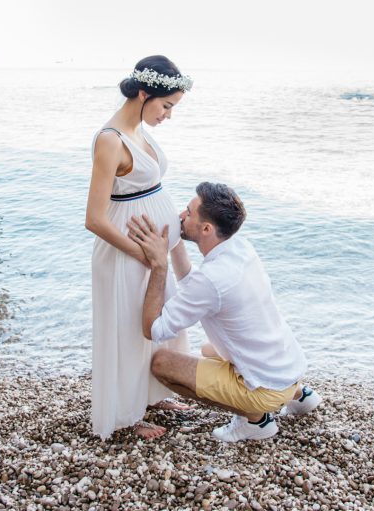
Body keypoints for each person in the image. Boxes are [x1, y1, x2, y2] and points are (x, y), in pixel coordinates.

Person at [127, 182, 322, 442]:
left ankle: (256, 420)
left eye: (188, 212)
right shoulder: (240, 249)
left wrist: (159, 265)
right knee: (209, 349)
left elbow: (153, 329)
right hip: (287, 366)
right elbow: (193, 284)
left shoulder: (212, 280)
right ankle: (300, 396)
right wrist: (174, 242)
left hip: (266, 388)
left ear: (207, 228)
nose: (181, 216)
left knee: (162, 364)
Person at [85, 56, 193, 440]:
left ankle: (154, 392)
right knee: (129, 332)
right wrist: (142, 253)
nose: (168, 115)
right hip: (128, 254)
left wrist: (166, 251)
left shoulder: (141, 132)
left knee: (157, 325)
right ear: (145, 94)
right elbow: (94, 218)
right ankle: (124, 417)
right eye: (166, 106)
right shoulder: (110, 140)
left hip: (153, 253)